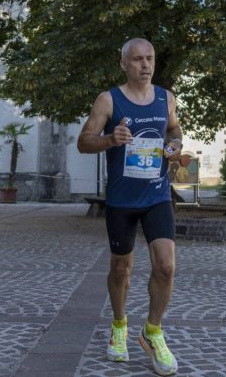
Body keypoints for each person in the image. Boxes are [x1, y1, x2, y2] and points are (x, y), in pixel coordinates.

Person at [77, 38, 183, 377]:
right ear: (124, 64)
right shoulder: (109, 100)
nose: (145, 65)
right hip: (122, 201)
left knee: (166, 266)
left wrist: (174, 144)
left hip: (157, 195)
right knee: (121, 268)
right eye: (137, 59)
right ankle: (119, 325)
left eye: (149, 58)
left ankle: (152, 331)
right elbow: (83, 142)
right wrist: (110, 139)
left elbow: (174, 129)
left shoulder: (166, 98)